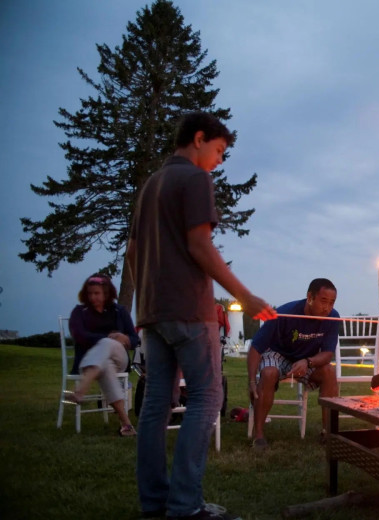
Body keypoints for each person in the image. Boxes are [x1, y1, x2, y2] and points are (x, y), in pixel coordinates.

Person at [128, 111, 276, 520]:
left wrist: (148, 298)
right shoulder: (194, 179)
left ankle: (154, 504)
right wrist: (244, 296)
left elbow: (132, 252)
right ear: (198, 139)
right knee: (207, 398)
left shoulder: (151, 185)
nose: (220, 160)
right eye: (219, 150)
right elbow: (200, 245)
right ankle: (185, 506)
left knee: (157, 403)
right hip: (190, 310)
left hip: (153, 313)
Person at [247, 278, 340, 449]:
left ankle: (329, 433)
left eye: (332, 302)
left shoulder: (333, 318)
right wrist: (252, 381)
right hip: (278, 353)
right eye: (323, 301)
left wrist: (308, 361)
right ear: (310, 297)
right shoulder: (284, 313)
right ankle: (258, 434)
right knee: (268, 373)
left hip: (307, 358)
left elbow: (327, 354)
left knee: (329, 372)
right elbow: (256, 348)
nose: (327, 307)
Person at [68, 273, 139, 437]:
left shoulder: (119, 311)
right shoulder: (80, 312)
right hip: (98, 361)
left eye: (97, 293)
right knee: (105, 363)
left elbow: (135, 339)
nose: (92, 297)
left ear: (106, 293)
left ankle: (82, 388)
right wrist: (108, 336)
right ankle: (126, 425)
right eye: (90, 293)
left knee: (108, 344)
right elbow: (79, 335)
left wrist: (124, 338)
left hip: (118, 357)